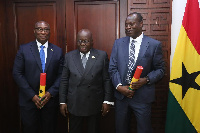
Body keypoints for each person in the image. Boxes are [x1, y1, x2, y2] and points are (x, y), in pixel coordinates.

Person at [109, 12, 165, 133]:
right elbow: (112, 68)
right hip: (121, 97)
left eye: (131, 24)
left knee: (144, 129)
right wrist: (119, 87)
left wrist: (146, 80)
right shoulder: (118, 43)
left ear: (141, 24)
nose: (127, 27)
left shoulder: (154, 45)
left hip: (143, 97)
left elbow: (160, 70)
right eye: (126, 25)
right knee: (121, 129)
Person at [13, 21, 64, 133]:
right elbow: (17, 73)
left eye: (46, 29)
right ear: (34, 31)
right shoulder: (24, 49)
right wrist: (32, 96)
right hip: (29, 101)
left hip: (49, 101)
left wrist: (50, 93)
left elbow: (61, 75)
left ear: (49, 32)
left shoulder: (57, 51)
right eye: (40, 29)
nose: (43, 32)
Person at [59, 29, 113, 133]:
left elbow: (106, 80)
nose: (82, 44)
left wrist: (107, 101)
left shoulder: (101, 56)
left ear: (92, 42)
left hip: (94, 102)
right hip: (74, 102)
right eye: (80, 41)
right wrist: (62, 101)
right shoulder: (69, 56)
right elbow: (64, 80)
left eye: (86, 41)